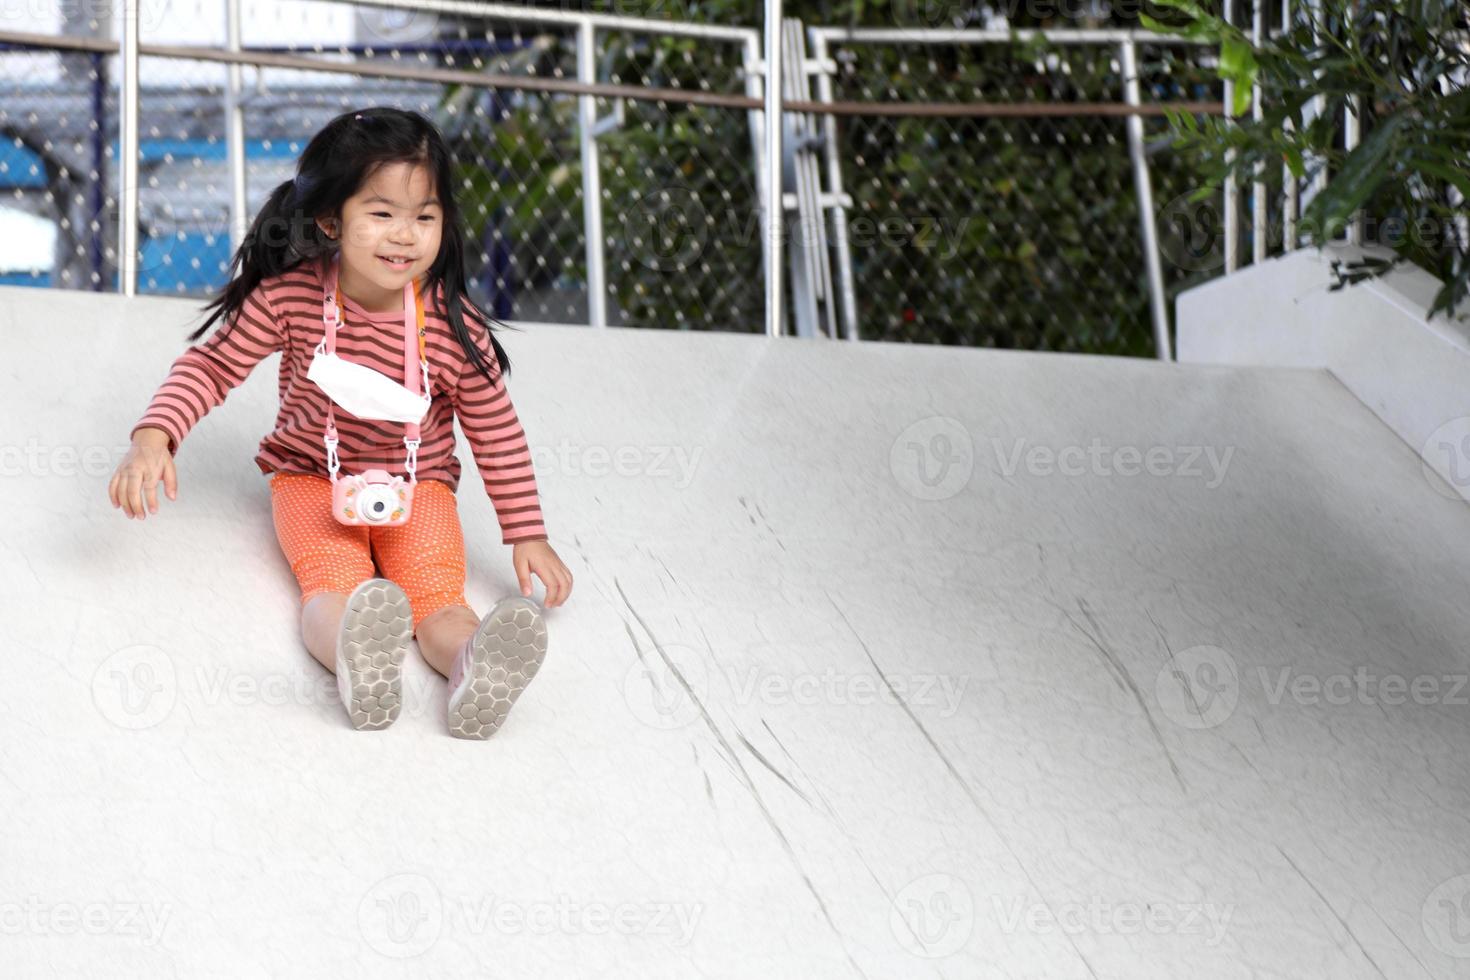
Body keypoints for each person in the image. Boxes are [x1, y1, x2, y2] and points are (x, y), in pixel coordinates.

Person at [108, 107, 573, 739]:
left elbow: (496, 430)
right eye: (382, 214)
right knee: (333, 583)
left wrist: (527, 532)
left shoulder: (452, 322)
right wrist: (153, 437)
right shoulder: (291, 297)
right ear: (332, 219)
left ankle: (472, 667)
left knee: (438, 595)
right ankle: (356, 658)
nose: (405, 236)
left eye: (425, 216)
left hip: (420, 486)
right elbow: (212, 366)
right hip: (308, 479)